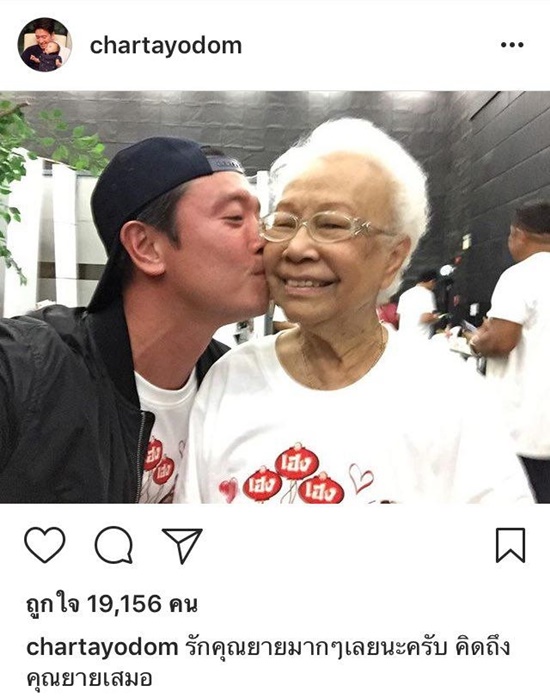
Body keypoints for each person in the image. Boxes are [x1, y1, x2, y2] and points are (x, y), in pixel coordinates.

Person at [176, 118, 533, 505]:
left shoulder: (450, 395)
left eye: (332, 224)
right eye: (284, 222)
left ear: (393, 257)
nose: (296, 248)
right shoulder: (231, 378)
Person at [0, 136, 268, 502]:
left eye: (261, 219)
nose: (264, 240)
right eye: (235, 218)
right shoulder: (26, 369)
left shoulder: (235, 384)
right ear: (146, 247)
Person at [467, 202, 550, 502]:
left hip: (525, 433)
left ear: (518, 234)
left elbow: (501, 342)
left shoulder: (520, 276)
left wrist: (477, 340)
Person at [396, 269, 441, 340]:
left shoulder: (405, 294)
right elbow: (425, 318)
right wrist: (436, 318)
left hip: (403, 337)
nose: (434, 287)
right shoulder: (427, 294)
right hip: (420, 338)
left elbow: (398, 317)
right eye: (435, 284)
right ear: (432, 281)